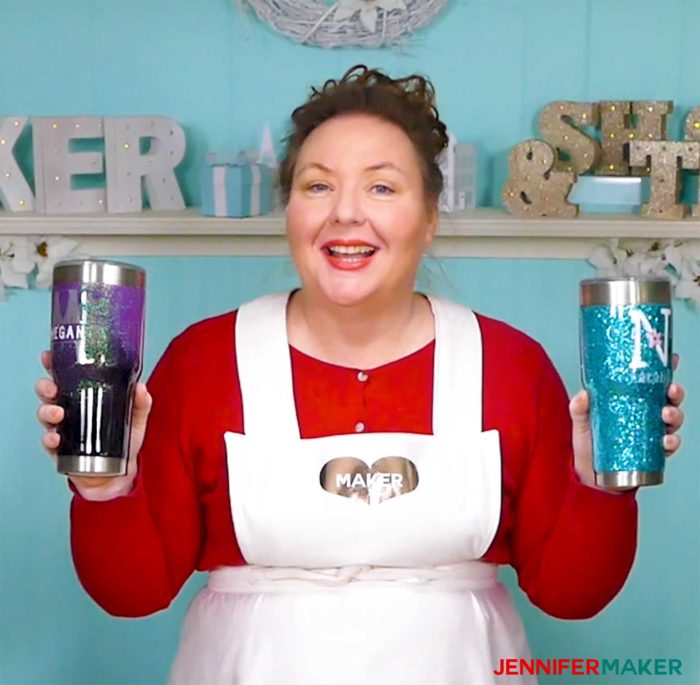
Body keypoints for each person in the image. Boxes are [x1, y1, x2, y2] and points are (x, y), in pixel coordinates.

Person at [35, 65, 686, 685]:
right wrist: (104, 488)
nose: (346, 212)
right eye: (318, 185)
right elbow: (130, 593)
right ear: (289, 210)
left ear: (429, 217)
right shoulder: (204, 362)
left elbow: (574, 596)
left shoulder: (510, 365)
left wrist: (601, 487)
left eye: (381, 185)